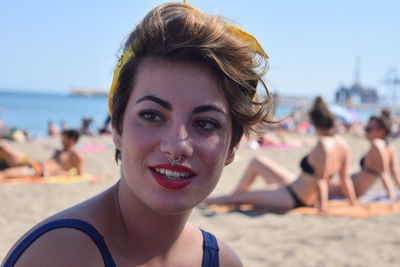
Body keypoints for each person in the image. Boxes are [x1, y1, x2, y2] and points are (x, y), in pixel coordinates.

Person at [2, 3, 273, 266]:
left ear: (233, 145)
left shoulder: (221, 261)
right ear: (117, 127)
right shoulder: (59, 255)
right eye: (152, 116)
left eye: (204, 123)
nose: (176, 147)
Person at [206, 96, 358, 213]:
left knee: (233, 198)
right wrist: (353, 203)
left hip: (295, 196)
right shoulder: (342, 144)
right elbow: (344, 179)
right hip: (295, 185)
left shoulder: (323, 145)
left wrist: (322, 209)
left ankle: (217, 200)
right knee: (257, 161)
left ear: (315, 123)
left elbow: (321, 181)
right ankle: (236, 197)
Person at [329, 109, 400, 203]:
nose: (365, 131)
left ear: (381, 131)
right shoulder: (389, 147)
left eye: (369, 129)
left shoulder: (377, 145)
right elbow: (394, 173)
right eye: (366, 128)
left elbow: (384, 173)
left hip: (353, 189)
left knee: (321, 184)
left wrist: (392, 197)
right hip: (356, 188)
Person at [0, 129, 83, 180]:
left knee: (4, 174)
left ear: (72, 139)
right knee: (3, 147)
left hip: (39, 170)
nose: (61, 140)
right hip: (32, 163)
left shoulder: (75, 155)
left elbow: (79, 174)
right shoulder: (61, 151)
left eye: (64, 138)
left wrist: (62, 173)